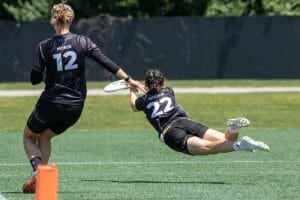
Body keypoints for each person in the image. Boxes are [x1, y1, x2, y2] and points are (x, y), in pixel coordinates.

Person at [22, 2, 145, 193]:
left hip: (51, 102)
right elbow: (106, 62)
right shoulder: (82, 41)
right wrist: (129, 79)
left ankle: (38, 170)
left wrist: (44, 69)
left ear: (53, 19)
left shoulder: (43, 46)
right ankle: (40, 181)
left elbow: (34, 80)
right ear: (71, 20)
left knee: (29, 137)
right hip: (75, 106)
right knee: (45, 137)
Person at [129, 69, 270, 156]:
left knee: (208, 147)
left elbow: (134, 106)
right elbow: (155, 91)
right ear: (163, 82)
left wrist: (131, 89)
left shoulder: (143, 101)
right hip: (185, 122)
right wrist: (143, 87)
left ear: (146, 84)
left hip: (170, 133)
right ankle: (233, 128)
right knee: (227, 139)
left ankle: (241, 146)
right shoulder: (169, 91)